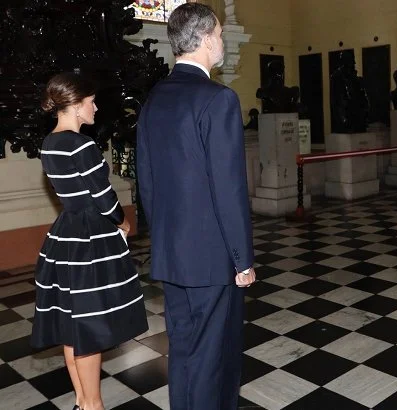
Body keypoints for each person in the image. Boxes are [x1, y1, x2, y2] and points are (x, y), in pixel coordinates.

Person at [136, 3, 256, 409]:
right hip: (211, 259)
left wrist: (164, 241)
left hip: (172, 255)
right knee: (213, 361)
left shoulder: (155, 99)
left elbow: (147, 183)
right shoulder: (218, 99)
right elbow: (228, 189)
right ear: (205, 38)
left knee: (185, 356)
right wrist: (242, 260)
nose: (222, 41)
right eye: (220, 34)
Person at [31, 72, 148, 410]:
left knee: (72, 324)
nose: (95, 107)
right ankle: (94, 405)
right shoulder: (80, 143)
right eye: (91, 102)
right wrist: (123, 220)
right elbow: (103, 196)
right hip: (91, 237)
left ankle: (82, 401)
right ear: (77, 106)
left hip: (65, 234)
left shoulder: (49, 142)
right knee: (91, 326)